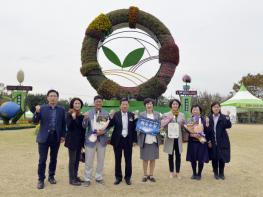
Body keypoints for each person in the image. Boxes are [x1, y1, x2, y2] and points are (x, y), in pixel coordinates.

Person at [33, 89, 66, 189]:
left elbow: (63, 124)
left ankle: (51, 176)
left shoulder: (61, 109)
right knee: (42, 159)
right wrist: (37, 112)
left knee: (53, 159)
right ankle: (41, 179)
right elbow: (35, 121)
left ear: (57, 98)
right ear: (47, 97)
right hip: (43, 138)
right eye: (51, 96)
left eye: (55, 96)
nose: (53, 97)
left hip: (55, 137)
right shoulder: (42, 108)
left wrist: (63, 136)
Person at [107, 98, 137, 185]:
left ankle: (128, 178)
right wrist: (110, 117)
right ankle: (118, 177)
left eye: (126, 104)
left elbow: (134, 129)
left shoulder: (132, 115)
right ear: (120, 105)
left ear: (128, 105)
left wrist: (134, 140)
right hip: (117, 140)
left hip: (128, 140)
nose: (124, 106)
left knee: (128, 160)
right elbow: (110, 125)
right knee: (117, 159)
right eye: (123, 104)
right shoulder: (115, 114)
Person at [82, 95, 109, 186]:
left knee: (101, 160)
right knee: (89, 160)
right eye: (97, 101)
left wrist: (103, 132)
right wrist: (85, 119)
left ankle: (99, 177)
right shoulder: (89, 113)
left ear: (102, 103)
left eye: (100, 101)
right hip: (91, 140)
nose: (98, 103)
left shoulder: (105, 113)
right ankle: (87, 178)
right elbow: (84, 126)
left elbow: (107, 127)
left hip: (102, 140)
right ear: (94, 103)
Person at [137, 98, 161, 182]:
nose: (149, 105)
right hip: (145, 139)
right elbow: (138, 127)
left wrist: (159, 129)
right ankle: (144, 175)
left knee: (153, 158)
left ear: (153, 105)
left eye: (151, 104)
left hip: (154, 140)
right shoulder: (141, 114)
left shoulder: (157, 114)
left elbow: (160, 126)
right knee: (145, 158)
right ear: (145, 105)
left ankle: (151, 175)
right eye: (147, 104)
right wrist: (140, 129)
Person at [64, 98, 85, 186]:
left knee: (77, 160)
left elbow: (82, 129)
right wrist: (73, 118)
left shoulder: (81, 116)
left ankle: (75, 176)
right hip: (72, 141)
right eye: (75, 103)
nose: (77, 105)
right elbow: (69, 127)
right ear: (72, 104)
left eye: (79, 103)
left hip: (79, 141)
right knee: (72, 160)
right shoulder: (69, 114)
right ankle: (71, 179)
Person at [208, 101, 232, 180]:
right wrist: (209, 141)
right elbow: (207, 130)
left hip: (222, 140)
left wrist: (228, 117)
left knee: (222, 157)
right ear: (212, 108)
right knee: (214, 157)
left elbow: (228, 125)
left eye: (218, 107)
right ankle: (215, 172)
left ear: (220, 108)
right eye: (214, 107)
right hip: (213, 141)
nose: (216, 108)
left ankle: (221, 173)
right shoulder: (209, 118)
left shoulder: (223, 117)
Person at [186, 104, 210, 180]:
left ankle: (199, 174)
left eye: (197, 109)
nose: (195, 111)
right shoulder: (189, 120)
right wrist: (191, 133)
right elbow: (186, 130)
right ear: (191, 111)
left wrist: (207, 125)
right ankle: (194, 173)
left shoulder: (204, 119)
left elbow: (208, 131)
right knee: (193, 159)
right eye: (194, 109)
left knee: (201, 159)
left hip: (202, 142)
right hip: (192, 142)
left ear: (200, 111)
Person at [162, 99, 185, 179]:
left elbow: (183, 128)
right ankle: (171, 172)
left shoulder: (182, 115)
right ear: (171, 105)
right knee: (170, 156)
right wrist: (168, 120)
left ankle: (178, 172)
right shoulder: (166, 114)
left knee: (178, 156)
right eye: (173, 104)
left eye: (176, 104)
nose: (175, 105)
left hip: (178, 138)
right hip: (170, 138)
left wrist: (182, 125)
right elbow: (163, 126)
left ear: (178, 105)